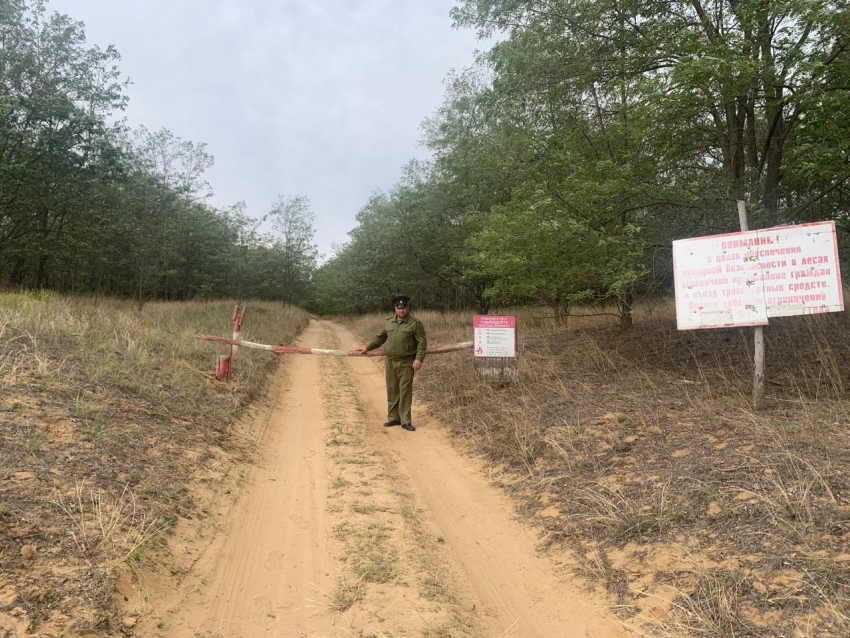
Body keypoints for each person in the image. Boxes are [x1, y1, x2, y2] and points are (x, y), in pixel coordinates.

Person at [353, 295, 427, 432]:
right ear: (395, 309)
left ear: (408, 307)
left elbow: (422, 343)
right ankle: (394, 418)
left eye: (404, 308)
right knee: (392, 390)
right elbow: (380, 338)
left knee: (405, 391)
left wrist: (418, 359)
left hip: (406, 363)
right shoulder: (389, 322)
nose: (401, 311)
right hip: (391, 362)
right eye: (398, 308)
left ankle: (405, 421)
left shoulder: (415, 323)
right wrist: (367, 348)